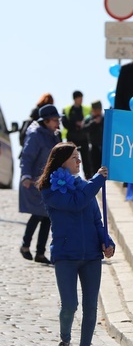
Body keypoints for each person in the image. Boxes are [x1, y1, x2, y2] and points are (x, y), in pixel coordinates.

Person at [37, 142, 115, 346]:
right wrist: (98, 181)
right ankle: (65, 340)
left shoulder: (83, 186)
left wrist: (106, 241)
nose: (79, 161)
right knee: (70, 305)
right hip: (66, 256)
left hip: (91, 256)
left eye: (79, 157)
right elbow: (76, 203)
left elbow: (96, 219)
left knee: (91, 308)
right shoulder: (49, 190)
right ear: (61, 161)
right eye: (74, 157)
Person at [19, 104, 62, 264]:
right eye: (54, 119)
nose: (57, 122)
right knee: (38, 213)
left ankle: (40, 253)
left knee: (47, 217)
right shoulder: (36, 134)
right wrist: (26, 176)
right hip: (36, 180)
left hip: (51, 181)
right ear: (45, 121)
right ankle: (25, 245)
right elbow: (27, 156)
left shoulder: (55, 134)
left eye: (58, 119)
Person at [61, 91, 92, 178]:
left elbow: (90, 120)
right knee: (70, 158)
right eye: (79, 98)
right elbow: (64, 123)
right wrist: (75, 125)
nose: (81, 100)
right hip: (72, 138)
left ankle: (88, 178)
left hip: (83, 138)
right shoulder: (67, 109)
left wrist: (83, 125)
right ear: (75, 98)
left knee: (86, 160)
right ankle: (69, 176)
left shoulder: (86, 109)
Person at [82, 101, 104, 174]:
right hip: (93, 146)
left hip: (104, 147)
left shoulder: (104, 118)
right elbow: (84, 129)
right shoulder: (88, 119)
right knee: (94, 168)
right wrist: (94, 123)